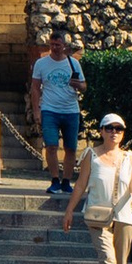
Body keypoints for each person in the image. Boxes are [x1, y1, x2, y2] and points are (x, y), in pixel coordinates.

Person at [63, 109, 132, 264]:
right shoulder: (91, 155)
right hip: (97, 215)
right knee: (107, 257)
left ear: (123, 134)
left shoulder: (129, 157)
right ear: (102, 131)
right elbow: (80, 185)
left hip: (125, 215)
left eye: (118, 129)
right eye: (110, 128)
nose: (114, 133)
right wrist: (69, 210)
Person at [28, 26, 86, 190]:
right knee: (51, 145)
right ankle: (54, 179)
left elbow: (84, 86)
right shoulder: (41, 63)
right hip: (50, 109)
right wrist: (36, 111)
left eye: (58, 45)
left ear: (64, 46)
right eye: (52, 45)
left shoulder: (73, 63)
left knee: (70, 147)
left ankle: (67, 181)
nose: (54, 48)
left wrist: (78, 85)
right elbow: (35, 88)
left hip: (70, 110)